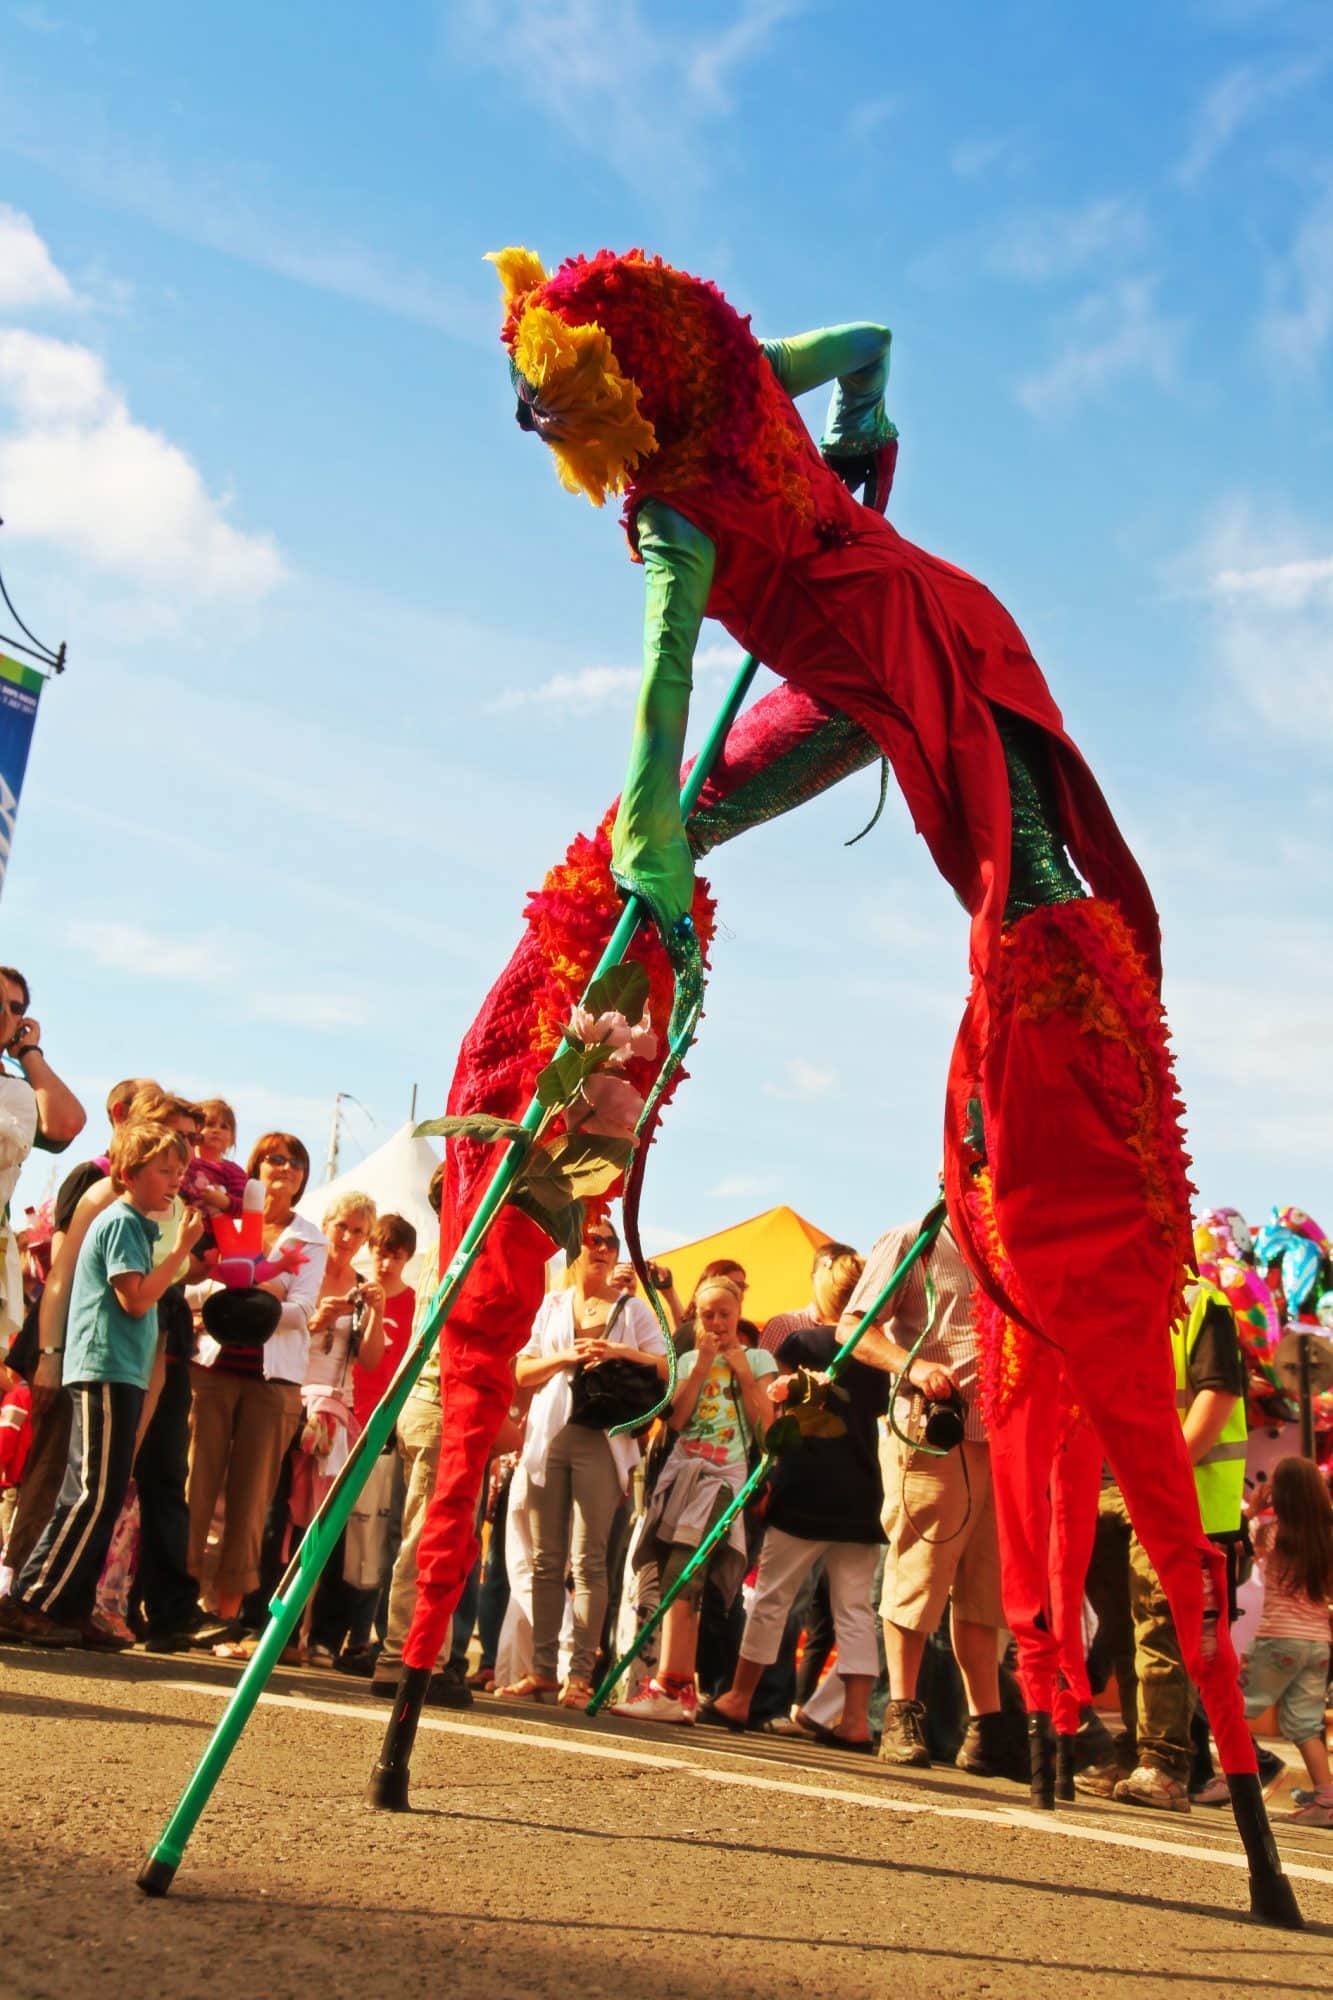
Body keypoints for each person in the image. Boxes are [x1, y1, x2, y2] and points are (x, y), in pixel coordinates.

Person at [0, 1122, 203, 1646]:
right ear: (131, 1174)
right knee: (92, 1490)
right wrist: (181, 1253)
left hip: (122, 1369)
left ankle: (67, 1605)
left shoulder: (139, 1226)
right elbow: (134, 1298)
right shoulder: (121, 1222)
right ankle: (32, 1597)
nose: (175, 1179)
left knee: (102, 1492)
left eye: (180, 1170)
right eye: (164, 1169)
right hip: (104, 1365)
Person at [841, 1212, 1026, 1779]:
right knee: (917, 1575)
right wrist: (913, 1365)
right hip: (931, 1433)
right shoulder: (915, 1238)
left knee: (986, 1591)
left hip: (1004, 1442)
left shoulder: (1017, 1245)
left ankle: (987, 1729)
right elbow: (854, 1327)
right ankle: (901, 1711)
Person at [1078, 1276, 1248, 1814]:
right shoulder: (1099, 1294)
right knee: (1124, 1629)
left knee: (1159, 1624)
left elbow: (1216, 1392)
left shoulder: (1199, 1299)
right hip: (1107, 1487)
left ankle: (1166, 1763)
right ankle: (1135, 1756)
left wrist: (1162, 1477)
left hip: (1174, 1492)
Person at [498, 1216, 667, 1708]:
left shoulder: (634, 1309)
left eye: (609, 1242)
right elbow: (524, 1371)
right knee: (545, 1559)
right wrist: (565, 1357)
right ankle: (544, 1671)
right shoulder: (552, 1304)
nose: (601, 1248)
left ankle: (580, 1677)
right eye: (591, 1240)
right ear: (573, 1251)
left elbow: (666, 1366)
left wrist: (618, 1350)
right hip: (549, 1436)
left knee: (588, 1560)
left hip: (602, 1438)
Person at [703, 1312, 886, 1746]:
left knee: (772, 1597)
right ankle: (856, 1720)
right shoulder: (875, 1350)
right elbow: (877, 1408)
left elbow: (778, 1405)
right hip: (860, 1489)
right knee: (855, 1611)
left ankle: (739, 1697)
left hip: (805, 1485)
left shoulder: (801, 1341)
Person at [611, 1274, 776, 1725]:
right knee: (675, 1573)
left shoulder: (760, 1358)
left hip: (723, 1477)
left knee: (686, 1566)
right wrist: (701, 1364)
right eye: (709, 1315)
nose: (718, 1323)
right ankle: (678, 1685)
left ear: (739, 1314)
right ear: (697, 1318)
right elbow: (678, 1419)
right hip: (683, 1471)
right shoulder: (687, 1359)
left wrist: (742, 1369)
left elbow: (767, 1426)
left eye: (726, 1314)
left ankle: (670, 1684)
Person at [186, 1131, 326, 1641]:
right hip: (213, 1370)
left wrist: (255, 1295)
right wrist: (215, 1293)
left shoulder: (311, 1237)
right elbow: (200, 1284)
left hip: (273, 1384)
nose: (282, 1167)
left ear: (304, 1176)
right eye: (271, 1159)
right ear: (255, 1169)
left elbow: (304, 1311)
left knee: (250, 1502)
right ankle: (181, 1603)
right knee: (195, 1487)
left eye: (293, 1161)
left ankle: (225, 1613)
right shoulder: (227, 1222)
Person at [289, 1192, 383, 1666]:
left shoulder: (362, 1288)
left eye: (357, 1231)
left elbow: (369, 1359)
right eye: (341, 1226)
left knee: (328, 1524)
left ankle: (323, 1633)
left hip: (335, 1413)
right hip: (292, 1402)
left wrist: (377, 1312)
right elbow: (279, 1331)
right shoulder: (304, 1270)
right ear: (325, 1224)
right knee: (284, 1517)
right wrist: (316, 1319)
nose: (347, 1238)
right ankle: (279, 1627)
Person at [1239, 1457, 1333, 1827]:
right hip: (1318, 1643)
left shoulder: (1271, 1534)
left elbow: (1238, 1538)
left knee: (1236, 1707)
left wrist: (1254, 1508)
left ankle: (1235, 1779)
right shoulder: (1326, 1540)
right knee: (1306, 1724)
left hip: (1278, 1639)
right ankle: (1327, 1800)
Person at [760, 1242, 860, 1356]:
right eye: (832, 1275)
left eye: (851, 1276)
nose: (837, 1284)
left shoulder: (865, 1332)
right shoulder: (784, 1325)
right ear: (814, 1278)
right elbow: (763, 1372)